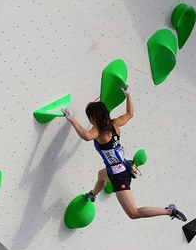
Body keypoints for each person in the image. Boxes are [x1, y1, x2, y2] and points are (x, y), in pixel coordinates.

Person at [62, 86, 187, 221]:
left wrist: (72, 119)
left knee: (133, 213)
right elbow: (130, 114)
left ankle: (169, 211)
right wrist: (128, 95)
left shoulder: (99, 132)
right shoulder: (114, 124)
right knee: (101, 175)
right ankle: (92, 194)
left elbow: (86, 136)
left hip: (119, 176)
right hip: (119, 167)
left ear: (92, 118)